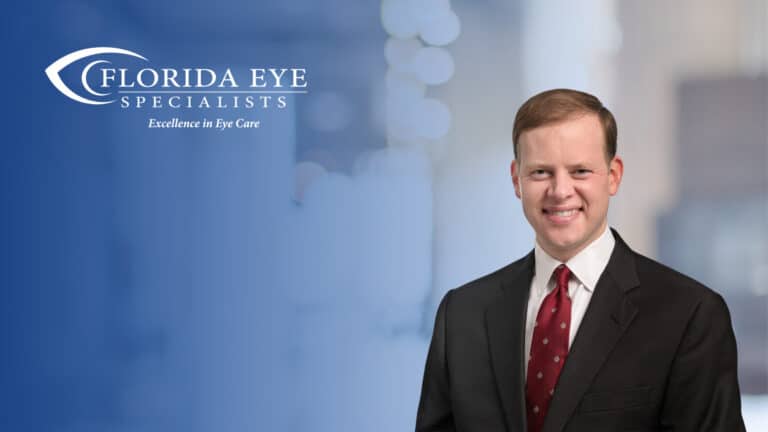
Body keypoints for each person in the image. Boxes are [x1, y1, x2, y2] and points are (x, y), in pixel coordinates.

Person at [415, 89, 746, 432]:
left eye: (580, 171)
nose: (560, 191)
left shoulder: (689, 315)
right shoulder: (463, 314)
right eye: (541, 172)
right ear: (516, 179)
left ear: (613, 175)